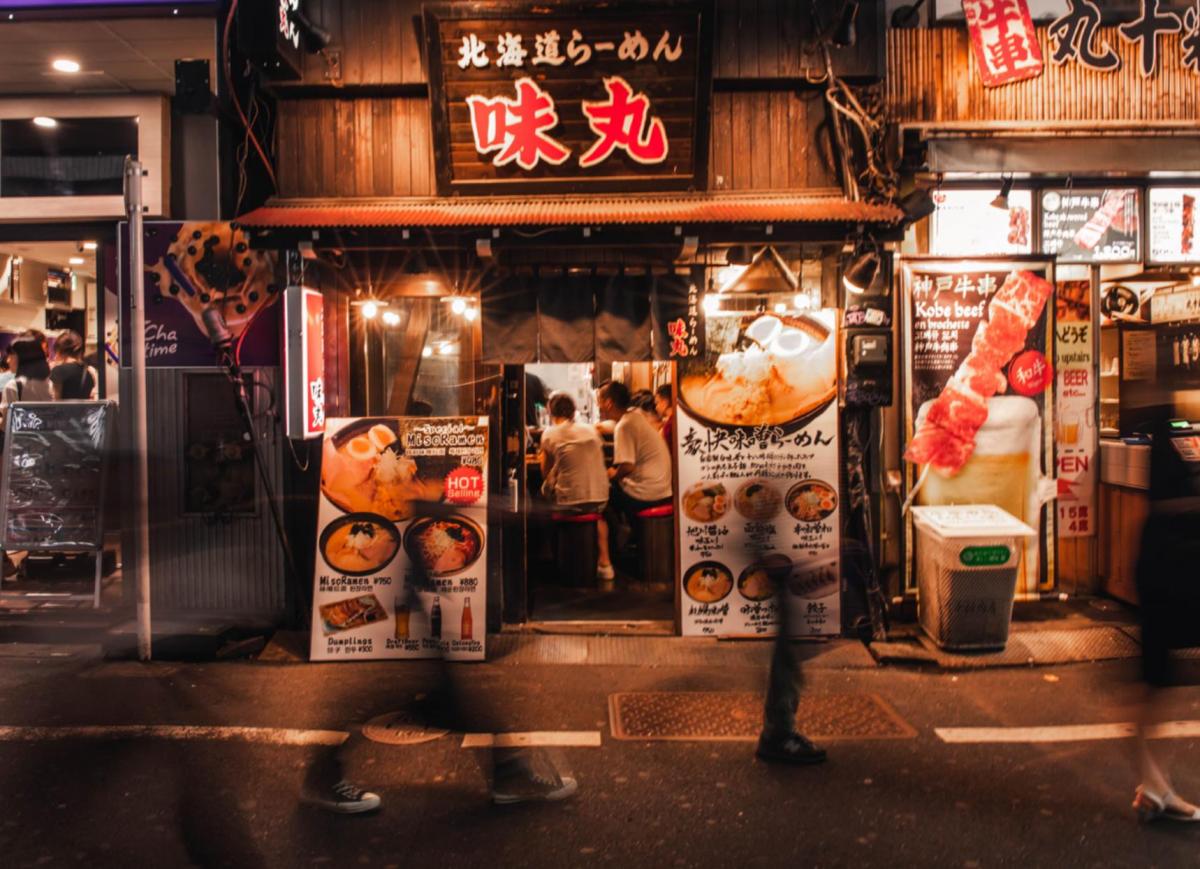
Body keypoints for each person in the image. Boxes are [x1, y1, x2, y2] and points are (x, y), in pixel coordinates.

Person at [1131, 402, 1200, 822]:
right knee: (1157, 685)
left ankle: (1154, 786)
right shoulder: (1168, 430)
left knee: (1160, 685)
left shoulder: (1172, 433)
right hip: (1170, 571)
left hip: (1170, 568)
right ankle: (1153, 785)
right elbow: (1173, 502)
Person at [539, 391, 614, 580]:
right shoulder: (590, 430)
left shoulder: (549, 433)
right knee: (596, 514)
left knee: (542, 498)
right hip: (601, 497)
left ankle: (552, 555)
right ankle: (605, 562)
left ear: (550, 412)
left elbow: (545, 470)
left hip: (569, 503)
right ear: (573, 412)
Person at [596, 381, 673, 544]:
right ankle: (628, 534)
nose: (598, 404)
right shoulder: (635, 415)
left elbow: (627, 467)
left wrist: (613, 474)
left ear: (608, 403)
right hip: (663, 490)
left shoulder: (624, 426)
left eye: (599, 400)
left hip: (648, 494)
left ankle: (620, 540)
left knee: (601, 496)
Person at [0, 334, 53, 427]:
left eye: (11, 356)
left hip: (21, 440)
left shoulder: (13, 386)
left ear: (22, 357)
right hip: (45, 438)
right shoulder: (50, 383)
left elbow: (6, 424)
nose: (8, 360)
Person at [48, 330, 97, 400]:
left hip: (64, 410)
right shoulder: (90, 371)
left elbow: (56, 400)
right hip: (84, 410)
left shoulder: (58, 371)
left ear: (60, 351)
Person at [655, 383, 675, 448]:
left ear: (665, 402)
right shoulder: (675, 420)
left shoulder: (669, 426)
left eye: (657, 403)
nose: (656, 407)